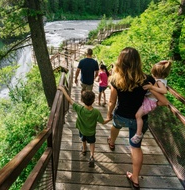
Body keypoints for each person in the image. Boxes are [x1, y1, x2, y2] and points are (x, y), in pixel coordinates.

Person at [106, 47, 155, 189]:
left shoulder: (115, 79)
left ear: (120, 62)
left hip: (121, 114)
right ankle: (135, 179)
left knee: (115, 125)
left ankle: (111, 142)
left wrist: (109, 114)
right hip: (139, 119)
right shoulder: (147, 79)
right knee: (136, 147)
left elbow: (112, 101)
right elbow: (156, 94)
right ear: (137, 61)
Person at [57, 86, 110, 168]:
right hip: (91, 132)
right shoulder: (96, 112)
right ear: (93, 100)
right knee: (92, 143)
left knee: (83, 139)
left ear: (82, 100)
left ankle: (84, 150)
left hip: (82, 130)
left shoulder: (79, 108)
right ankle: (92, 156)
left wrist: (63, 89)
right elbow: (103, 122)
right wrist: (109, 119)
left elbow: (69, 100)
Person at [131, 60, 172, 144]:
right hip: (150, 101)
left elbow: (164, 91)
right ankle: (138, 132)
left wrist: (151, 87)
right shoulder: (162, 80)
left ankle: (138, 134)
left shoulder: (159, 81)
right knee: (138, 114)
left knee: (138, 115)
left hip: (150, 102)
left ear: (156, 74)